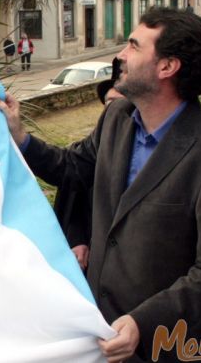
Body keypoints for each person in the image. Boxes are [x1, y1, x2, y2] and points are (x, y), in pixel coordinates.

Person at [0, 8, 201, 362]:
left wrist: (142, 322)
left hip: (167, 349)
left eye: (134, 46)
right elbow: (74, 169)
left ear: (167, 67)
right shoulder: (118, 118)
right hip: (99, 334)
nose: (121, 55)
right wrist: (21, 137)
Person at [56, 57, 125, 272]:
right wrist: (77, 240)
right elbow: (73, 200)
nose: (110, 111)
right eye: (108, 103)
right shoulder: (87, 151)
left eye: (118, 104)